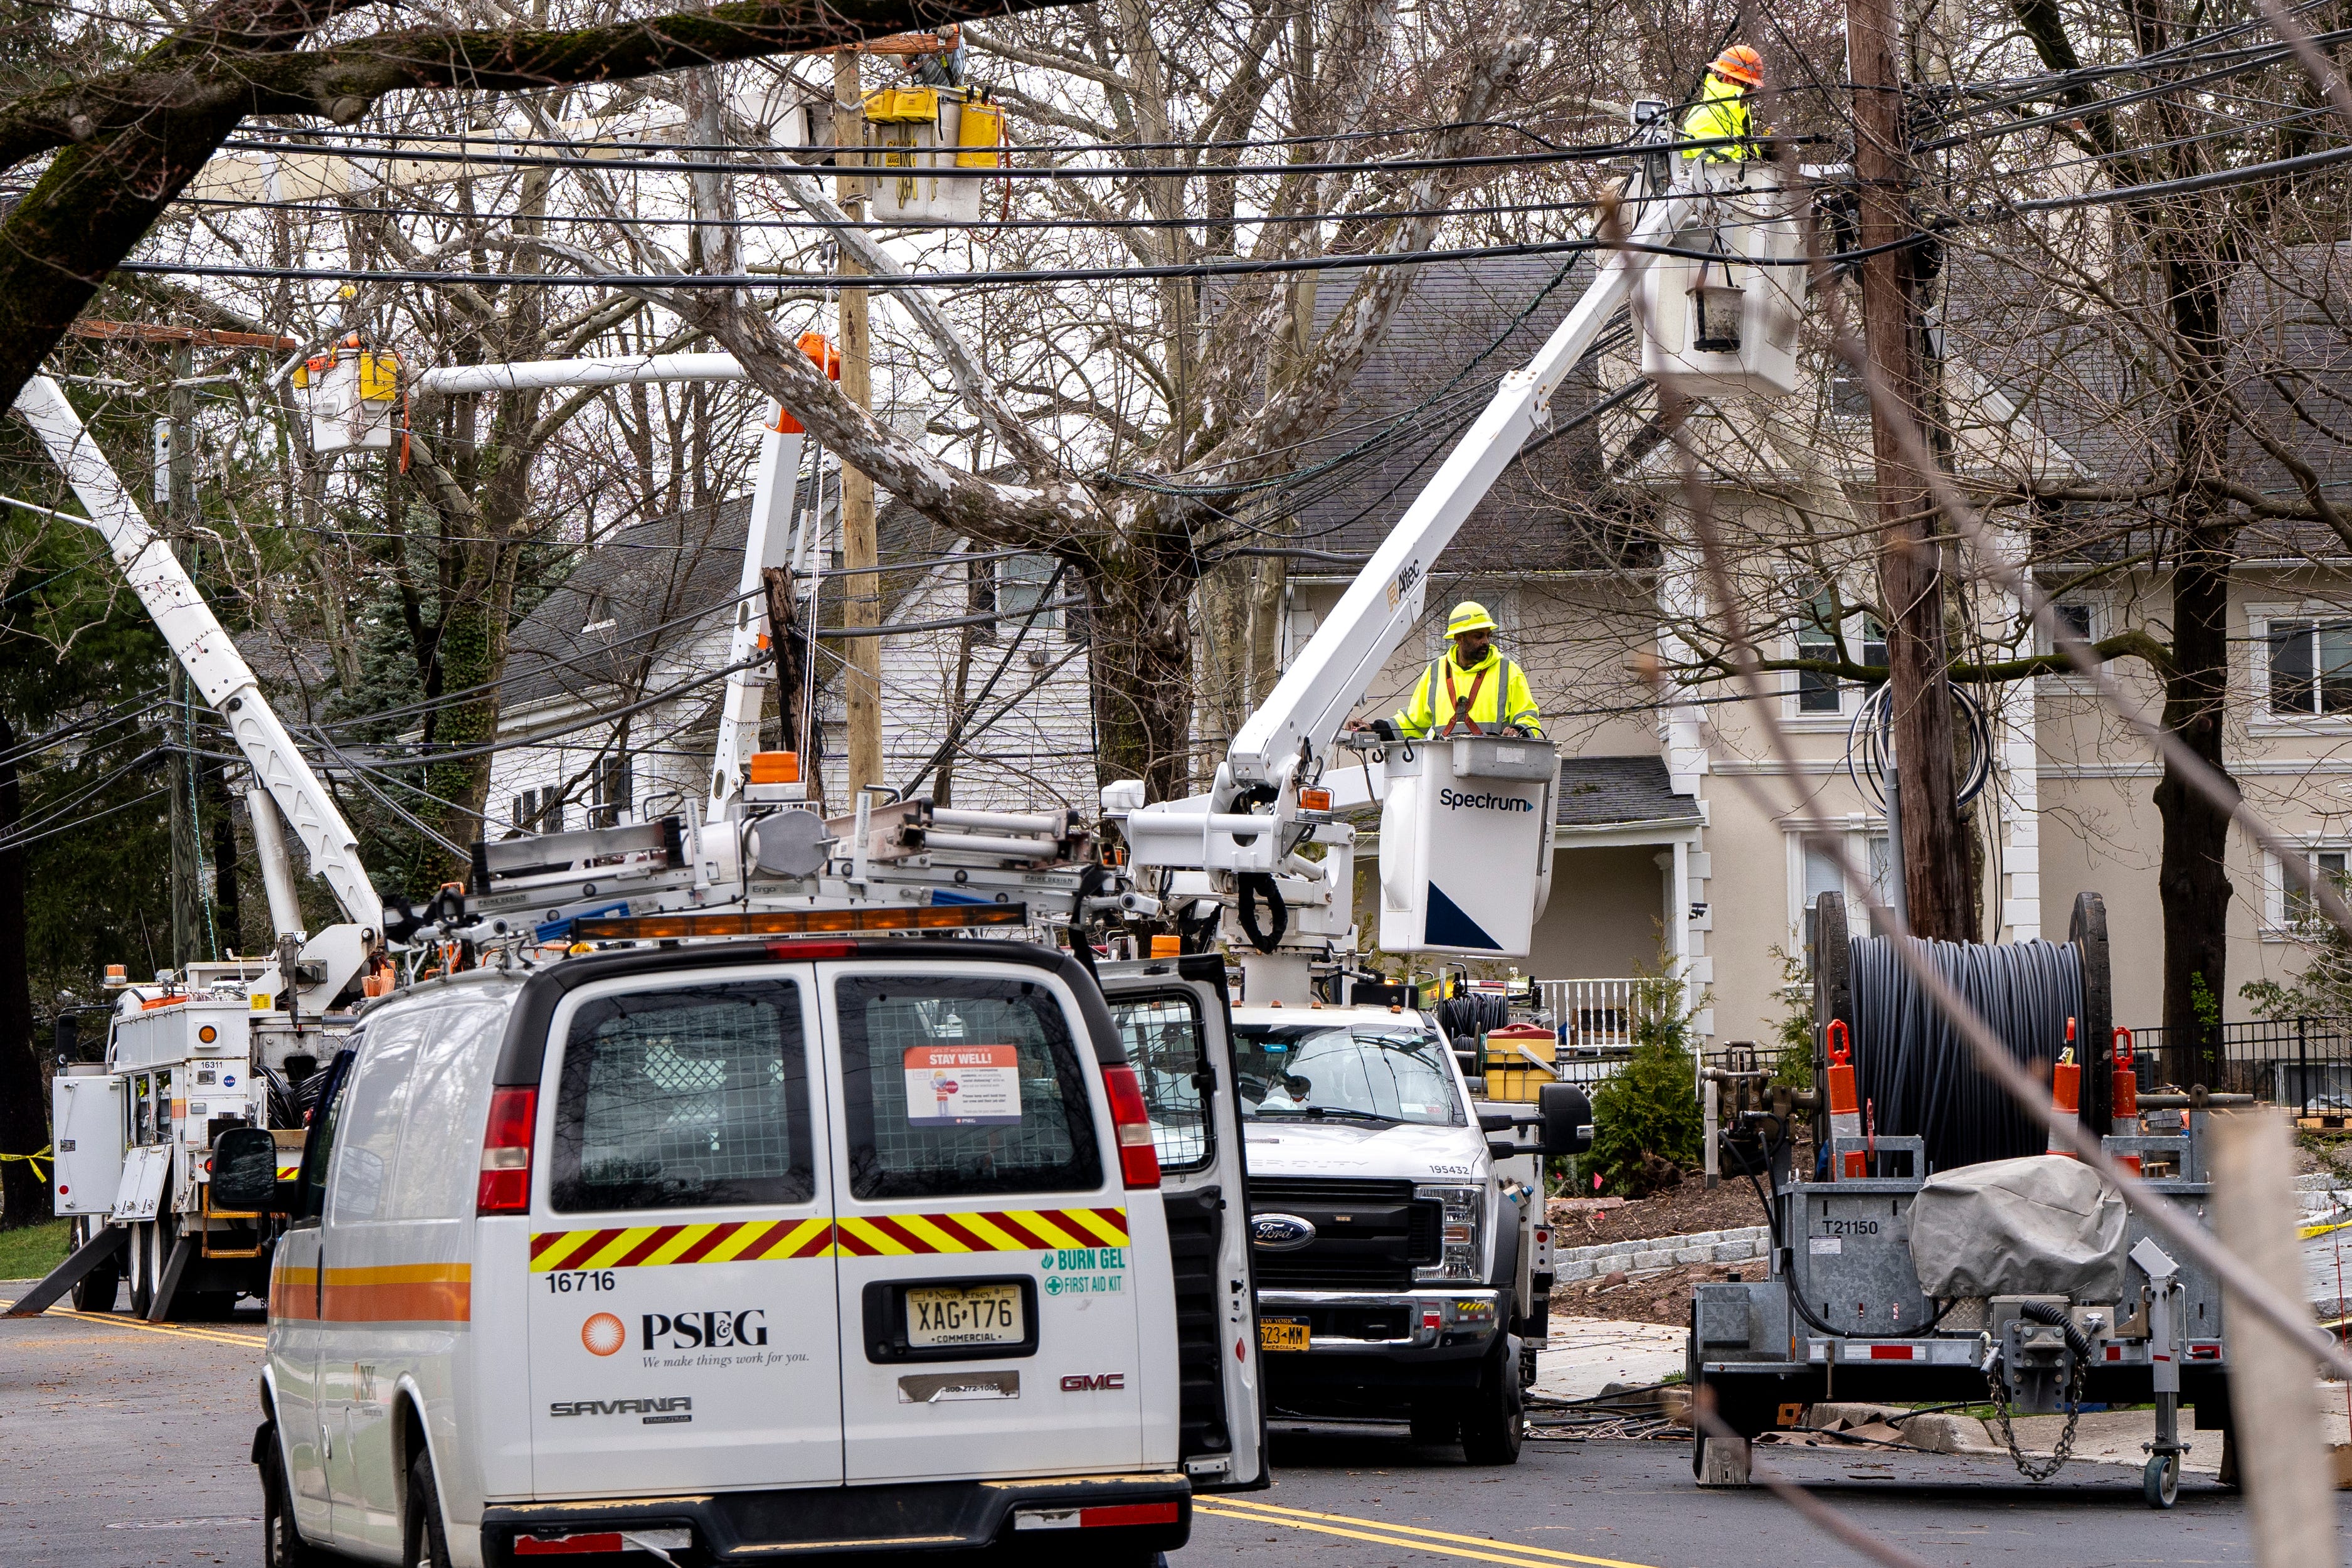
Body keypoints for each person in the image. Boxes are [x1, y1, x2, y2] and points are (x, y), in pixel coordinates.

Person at [1385, 601, 1544, 739]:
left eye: (1488, 635)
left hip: (1492, 761)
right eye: (1478, 636)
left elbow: (1527, 716)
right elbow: (1414, 721)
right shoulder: (1436, 671)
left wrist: (1518, 730)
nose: (1486, 642)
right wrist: (1380, 728)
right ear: (1459, 638)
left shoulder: (1508, 671)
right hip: (1445, 761)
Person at [1680, 44, 1764, 161]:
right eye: (1747, 85)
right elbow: (1716, 166)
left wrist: (1767, 154)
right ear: (1728, 79)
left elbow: (1745, 159)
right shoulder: (1708, 115)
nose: (1751, 91)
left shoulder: (1738, 113)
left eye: (1753, 86)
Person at [907, 22, 967, 87]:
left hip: (950, 88)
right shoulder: (915, 31)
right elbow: (910, 64)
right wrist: (910, 63)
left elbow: (956, 27)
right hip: (922, 88)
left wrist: (950, 27)